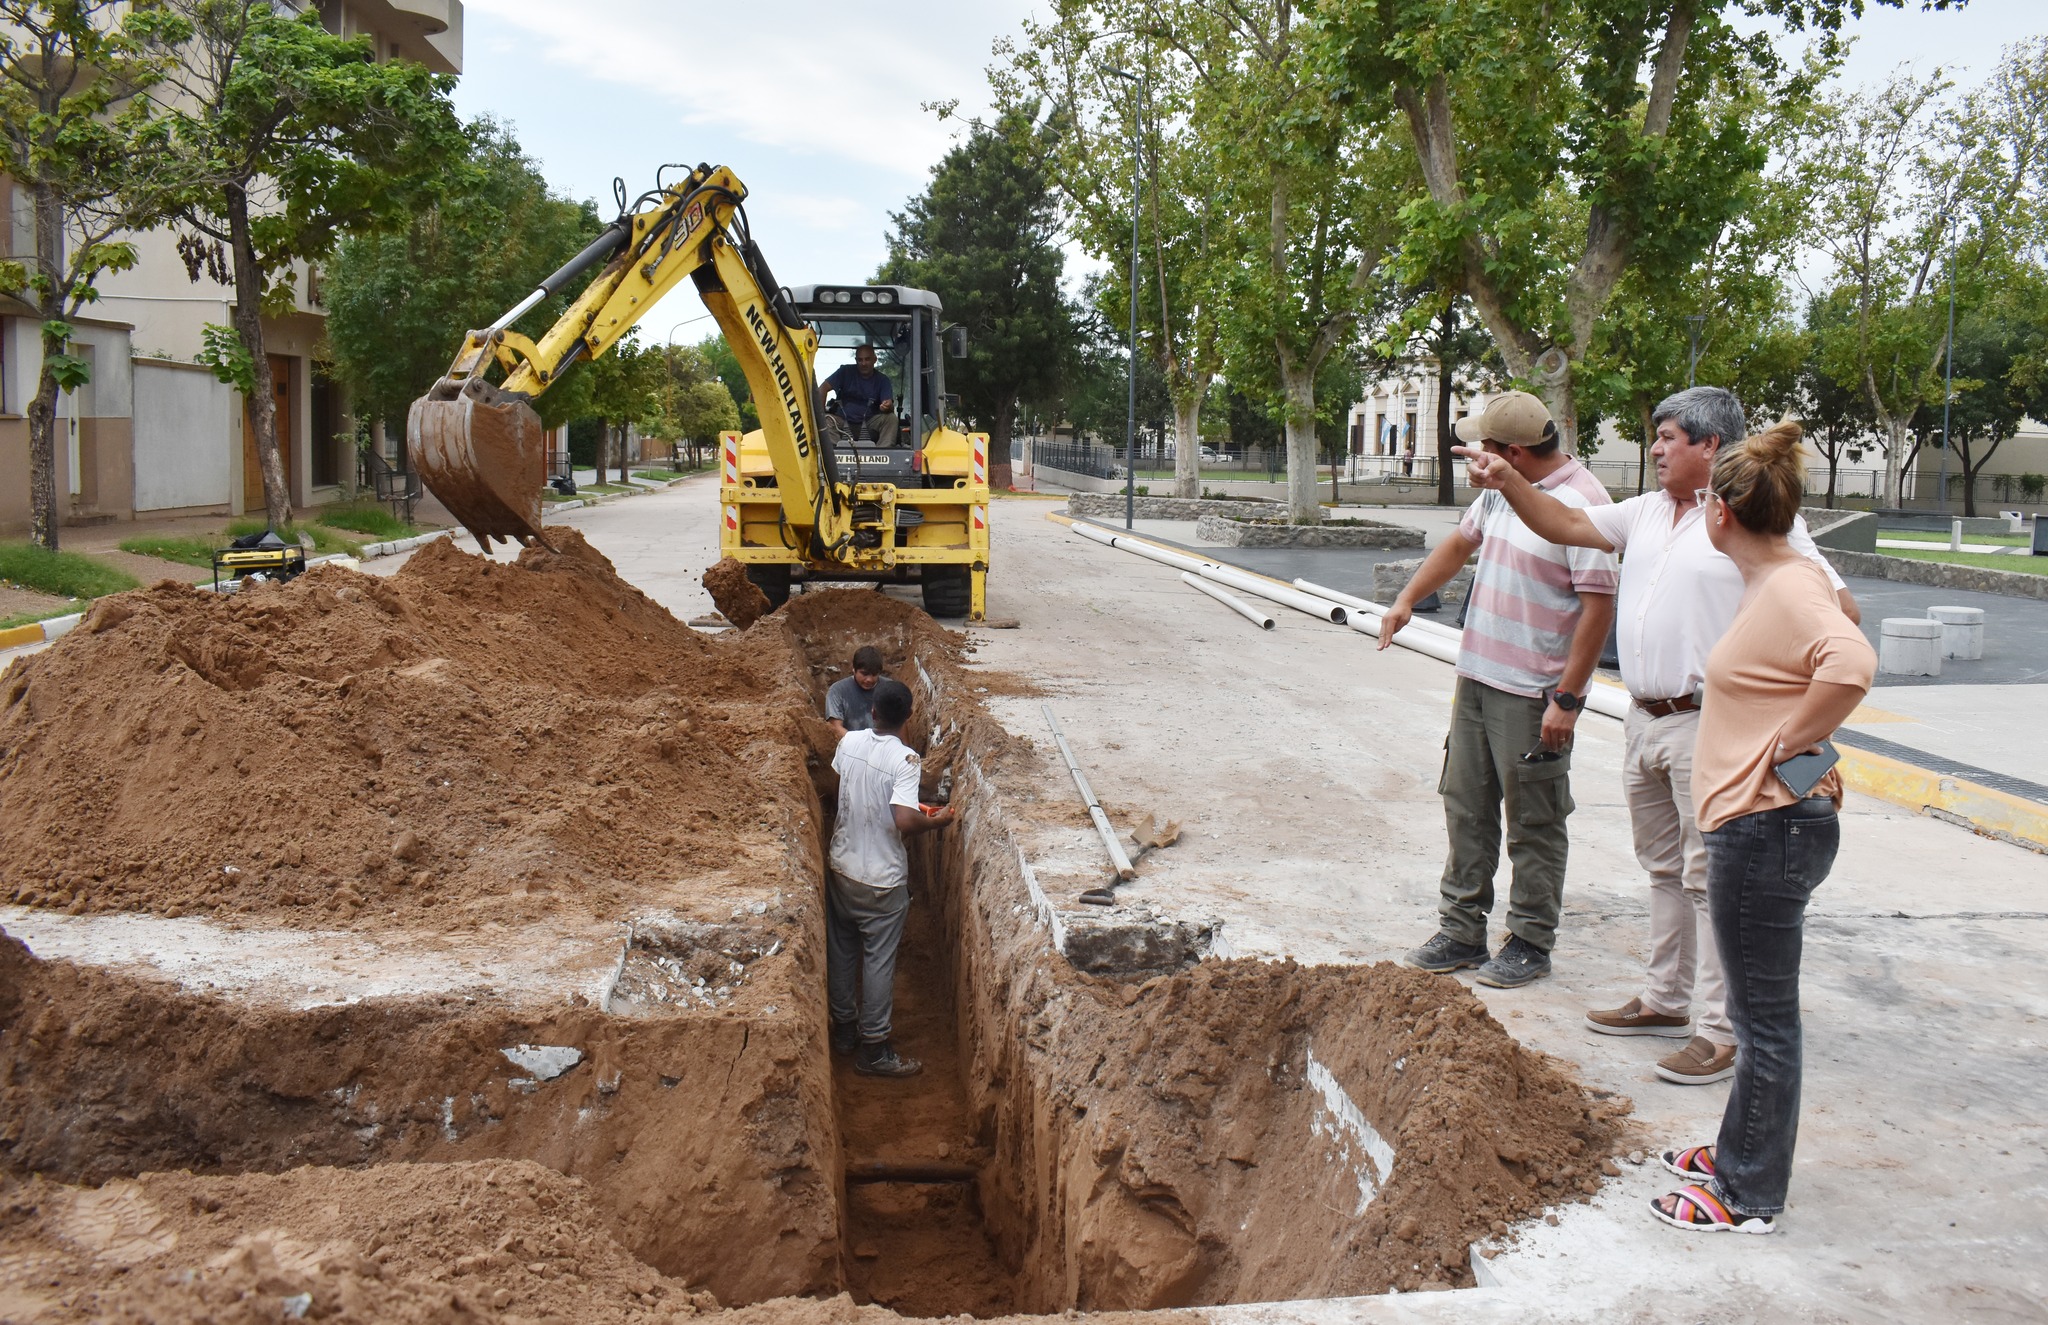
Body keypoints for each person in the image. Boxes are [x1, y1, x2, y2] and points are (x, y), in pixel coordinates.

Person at [1454, 385, 1861, 1086]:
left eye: (1670, 436)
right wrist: (1509, 479)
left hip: (1708, 723)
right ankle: (1666, 1000)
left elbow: (1839, 612)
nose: (1657, 448)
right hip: (1644, 718)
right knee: (1667, 869)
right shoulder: (1645, 511)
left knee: (1713, 881)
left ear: (1712, 447)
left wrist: (1786, 731)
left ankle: (1719, 1031)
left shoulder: (1756, 524)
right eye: (1658, 435)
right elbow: (1561, 521)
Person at [1649, 420, 1874, 1234]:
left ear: (1721, 512)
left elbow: (1850, 666)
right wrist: (1805, 756)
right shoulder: (1786, 575)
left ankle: (1748, 1194)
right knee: (1759, 1014)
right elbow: (1794, 685)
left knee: (1761, 1024)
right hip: (1773, 820)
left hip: (1762, 831)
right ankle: (1738, 1149)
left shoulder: (1784, 584)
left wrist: (1790, 749)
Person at [1390, 391, 1618, 989]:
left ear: (1512, 453)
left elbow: (1599, 608)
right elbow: (1458, 546)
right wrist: (1407, 599)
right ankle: (1461, 929)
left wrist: (1567, 698)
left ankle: (1529, 940)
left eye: (1484, 446)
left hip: (1533, 694)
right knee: (1465, 805)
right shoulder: (1498, 491)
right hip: (1478, 677)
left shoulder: (1584, 506)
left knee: (1534, 820)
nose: (1475, 455)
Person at [827, 679, 954, 1078]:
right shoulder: (906, 761)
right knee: (879, 962)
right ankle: (875, 1048)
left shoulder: (848, 744)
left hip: (842, 867)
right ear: (909, 718)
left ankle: (844, 1031)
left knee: (844, 952)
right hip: (881, 881)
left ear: (874, 713)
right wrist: (937, 821)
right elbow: (903, 818)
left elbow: (849, 789)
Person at [822, 345, 897, 446]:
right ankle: (835, 455)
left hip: (870, 423)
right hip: (843, 423)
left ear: (875, 360)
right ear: (856, 360)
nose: (864, 363)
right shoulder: (845, 372)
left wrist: (887, 406)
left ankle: (883, 455)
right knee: (825, 420)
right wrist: (820, 413)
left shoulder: (882, 380)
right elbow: (822, 389)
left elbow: (889, 405)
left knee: (891, 419)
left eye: (867, 359)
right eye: (860, 360)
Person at [826, 645, 886, 739]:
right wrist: (861, 744)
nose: (869, 679)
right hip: (851, 749)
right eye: (864, 674)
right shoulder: (837, 691)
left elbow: (901, 724)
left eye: (874, 674)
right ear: (854, 669)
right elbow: (835, 727)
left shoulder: (890, 689)